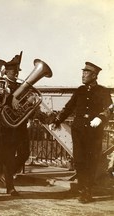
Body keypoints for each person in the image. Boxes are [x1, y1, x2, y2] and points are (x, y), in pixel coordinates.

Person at [50, 62, 112, 203]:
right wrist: (57, 120)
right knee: (79, 160)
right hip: (78, 131)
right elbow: (69, 107)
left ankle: (87, 191)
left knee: (91, 161)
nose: (83, 75)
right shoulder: (80, 90)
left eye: (86, 73)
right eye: (82, 72)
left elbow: (110, 108)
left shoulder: (103, 91)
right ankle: (82, 187)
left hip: (94, 132)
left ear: (94, 75)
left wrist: (101, 117)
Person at [0, 54, 29, 196]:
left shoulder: (20, 86)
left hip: (20, 124)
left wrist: (30, 101)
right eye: (13, 71)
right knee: (8, 156)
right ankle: (10, 186)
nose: (16, 74)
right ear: (6, 71)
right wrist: (10, 100)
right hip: (6, 126)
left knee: (25, 153)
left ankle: (6, 174)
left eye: (17, 71)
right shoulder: (0, 84)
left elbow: (25, 105)